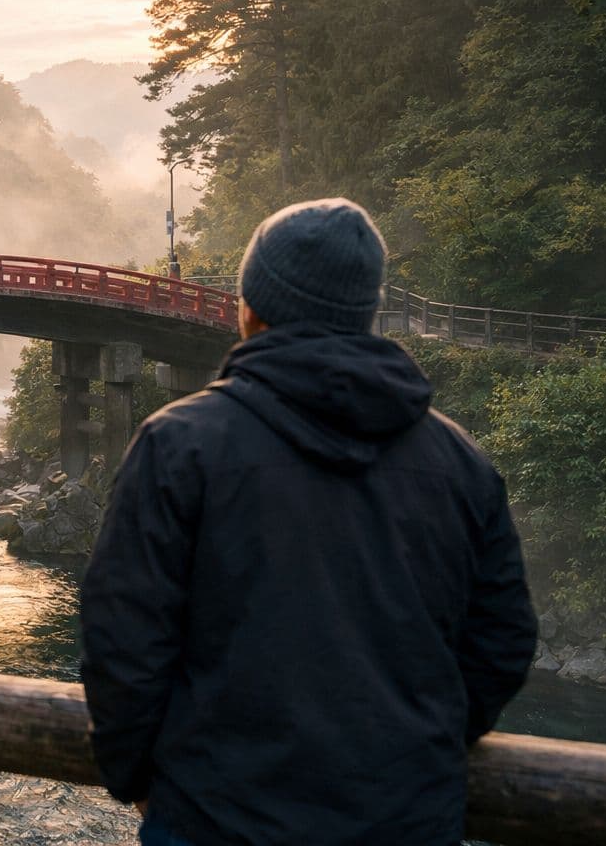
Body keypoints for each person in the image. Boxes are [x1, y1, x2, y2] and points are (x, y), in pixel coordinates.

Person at [80, 198, 536, 846]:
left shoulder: (181, 444)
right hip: (405, 822)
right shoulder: (460, 461)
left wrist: (139, 778)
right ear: (366, 310)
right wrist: (422, 744)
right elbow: (504, 642)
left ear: (251, 308)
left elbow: (122, 638)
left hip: (214, 819)